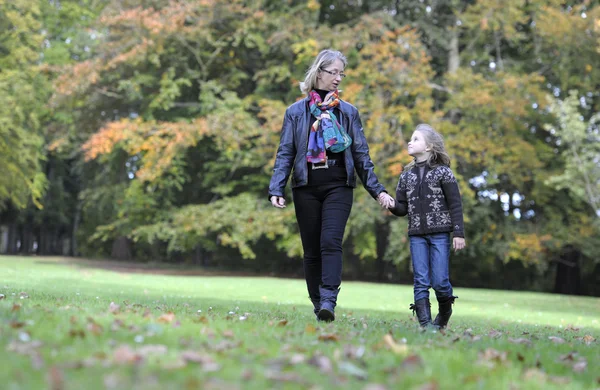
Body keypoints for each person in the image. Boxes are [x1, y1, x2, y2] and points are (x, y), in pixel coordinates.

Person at [268, 49, 395, 322]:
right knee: (311, 248)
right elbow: (286, 152)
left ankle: (329, 299)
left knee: (330, 241)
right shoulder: (295, 112)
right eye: (333, 72)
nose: (338, 78)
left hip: (338, 185)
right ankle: (318, 305)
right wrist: (276, 187)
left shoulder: (348, 113)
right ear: (319, 72)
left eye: (341, 73)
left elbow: (361, 155)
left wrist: (378, 190)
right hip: (305, 186)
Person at [388, 124, 466, 329]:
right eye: (410, 139)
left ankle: (445, 311)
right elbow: (402, 208)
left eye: (415, 139)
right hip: (416, 235)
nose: (409, 142)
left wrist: (458, 232)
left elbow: (455, 203)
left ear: (429, 146)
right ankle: (425, 324)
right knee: (421, 279)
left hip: (440, 233)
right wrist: (392, 205)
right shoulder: (406, 176)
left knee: (440, 281)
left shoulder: (443, 173)